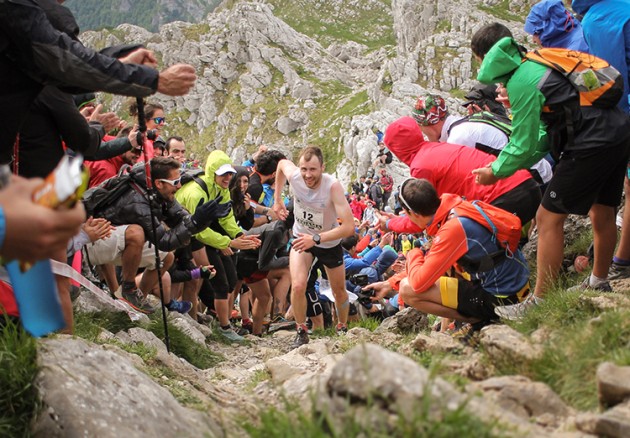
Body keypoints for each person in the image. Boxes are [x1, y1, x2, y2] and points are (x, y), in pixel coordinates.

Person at [470, 23, 630, 318]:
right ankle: (599, 281)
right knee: (602, 209)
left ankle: (540, 303)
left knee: (547, 217)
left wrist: (495, 170)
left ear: (485, 58)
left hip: (590, 141)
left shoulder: (520, 80)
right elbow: (544, 133)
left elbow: (523, 141)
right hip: (617, 130)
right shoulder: (537, 59)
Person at [0, 0, 196, 161]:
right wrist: (151, 80)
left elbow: (68, 74)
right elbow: (64, 61)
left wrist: (121, 61)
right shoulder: (15, 7)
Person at [376, 178, 530, 334]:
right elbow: (433, 264)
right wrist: (390, 283)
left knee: (407, 289)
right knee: (439, 273)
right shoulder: (455, 208)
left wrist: (412, 253)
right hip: (514, 282)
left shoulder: (452, 230)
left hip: (503, 298)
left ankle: (479, 320)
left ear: (413, 213)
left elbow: (418, 284)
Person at [86, 157, 231, 313]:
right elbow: (164, 241)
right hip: (92, 243)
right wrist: (195, 222)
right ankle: (128, 290)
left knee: (165, 257)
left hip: (113, 241)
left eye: (180, 180)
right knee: (137, 233)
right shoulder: (137, 201)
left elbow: (180, 218)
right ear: (159, 183)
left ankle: (138, 299)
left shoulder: (157, 193)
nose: (179, 185)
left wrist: (202, 219)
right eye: (175, 182)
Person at [379, 116, 542, 233]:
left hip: (506, 199)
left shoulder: (420, 167)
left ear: (398, 150)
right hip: (527, 185)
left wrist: (390, 224)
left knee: (458, 244)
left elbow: (424, 218)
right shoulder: (440, 147)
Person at [273, 146, 355, 348]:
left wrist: (316, 238)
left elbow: (349, 227)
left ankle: (342, 327)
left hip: (328, 241)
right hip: (302, 238)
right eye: (304, 169)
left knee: (339, 291)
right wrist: (277, 201)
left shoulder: (332, 186)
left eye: (312, 170)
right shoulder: (295, 178)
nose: (307, 175)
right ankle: (301, 330)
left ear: (322, 168)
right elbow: (282, 164)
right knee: (299, 284)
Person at [176, 150, 261, 342]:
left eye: (230, 174)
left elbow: (226, 217)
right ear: (212, 172)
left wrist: (239, 235)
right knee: (205, 277)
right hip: (181, 232)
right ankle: (218, 326)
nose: (228, 178)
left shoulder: (220, 188)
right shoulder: (195, 193)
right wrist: (229, 242)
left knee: (201, 278)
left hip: (193, 233)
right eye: (224, 174)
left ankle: (194, 318)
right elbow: (198, 230)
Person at [571, 0, 630, 279]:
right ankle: (622, 260)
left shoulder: (599, 19)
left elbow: (613, 81)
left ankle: (620, 263)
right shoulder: (620, 6)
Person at [413, 94, 552, 184]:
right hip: (536, 168)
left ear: (426, 124)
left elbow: (470, 181)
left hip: (533, 177)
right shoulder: (464, 123)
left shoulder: (457, 139)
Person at [525, 0, 590, 51]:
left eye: (535, 34)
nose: (533, 41)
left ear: (549, 30)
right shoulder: (577, 38)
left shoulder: (576, 51)